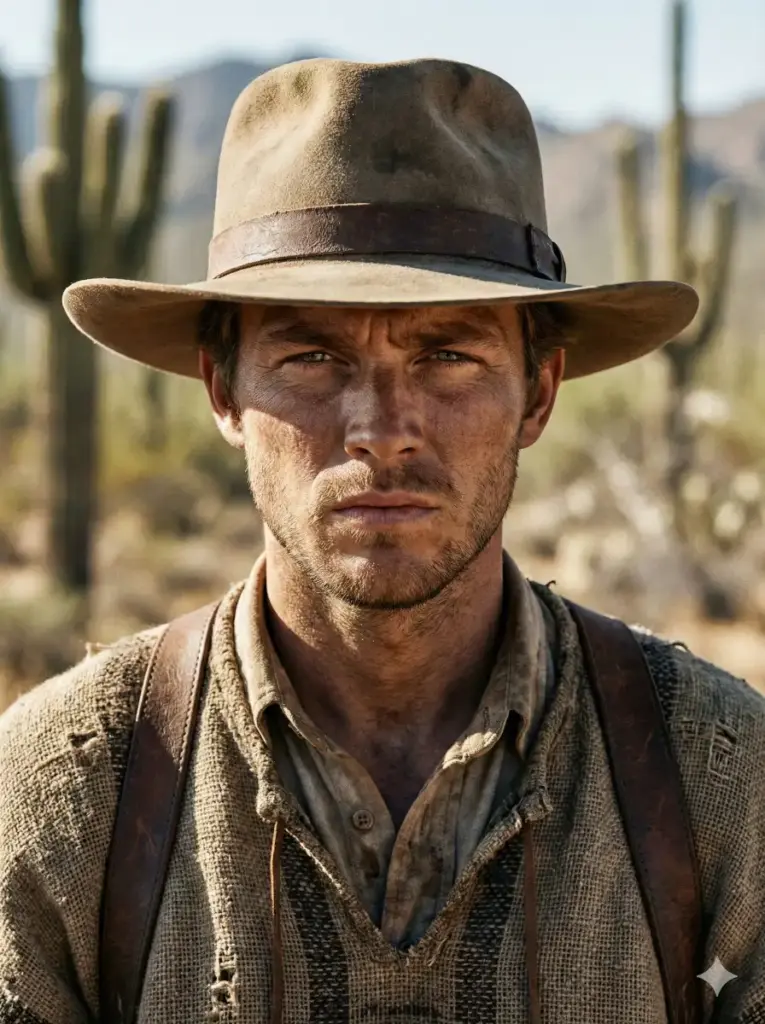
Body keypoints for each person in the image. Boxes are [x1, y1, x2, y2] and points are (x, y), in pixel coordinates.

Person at [1, 57, 763, 1024]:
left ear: (536, 392)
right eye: (312, 355)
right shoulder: (62, 791)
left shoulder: (722, 779)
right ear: (222, 390)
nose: (381, 425)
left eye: (446, 355)